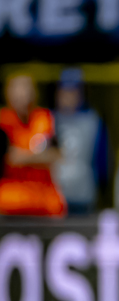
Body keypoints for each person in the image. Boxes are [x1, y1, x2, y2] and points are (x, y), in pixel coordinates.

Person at [0, 73, 66, 217]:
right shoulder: (3, 121)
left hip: (43, 195)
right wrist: (38, 157)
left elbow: (57, 155)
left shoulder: (45, 118)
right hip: (10, 196)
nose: (23, 97)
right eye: (18, 92)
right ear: (8, 94)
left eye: (26, 91)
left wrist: (23, 157)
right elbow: (10, 158)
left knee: (57, 205)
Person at [53, 68, 109, 214]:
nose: (69, 97)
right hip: (53, 195)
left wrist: (101, 189)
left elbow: (102, 162)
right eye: (64, 91)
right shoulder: (48, 119)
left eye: (73, 92)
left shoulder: (93, 121)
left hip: (83, 194)